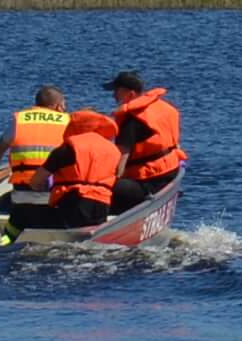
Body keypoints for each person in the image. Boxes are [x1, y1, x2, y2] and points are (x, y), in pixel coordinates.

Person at [29, 109, 125, 230]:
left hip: (74, 201)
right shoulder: (113, 150)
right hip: (102, 203)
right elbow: (116, 175)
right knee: (91, 235)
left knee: (30, 215)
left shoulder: (67, 149)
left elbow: (36, 181)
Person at [104, 70, 184, 209]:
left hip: (149, 181)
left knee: (99, 186)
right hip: (171, 172)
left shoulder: (131, 121)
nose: (113, 95)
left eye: (117, 91)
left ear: (131, 94)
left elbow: (121, 162)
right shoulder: (164, 107)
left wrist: (106, 181)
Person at [5, 87, 71, 193]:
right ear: (58, 106)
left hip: (23, 186)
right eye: (64, 105)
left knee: (2, 204)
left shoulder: (20, 119)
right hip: (55, 185)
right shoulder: (67, 121)